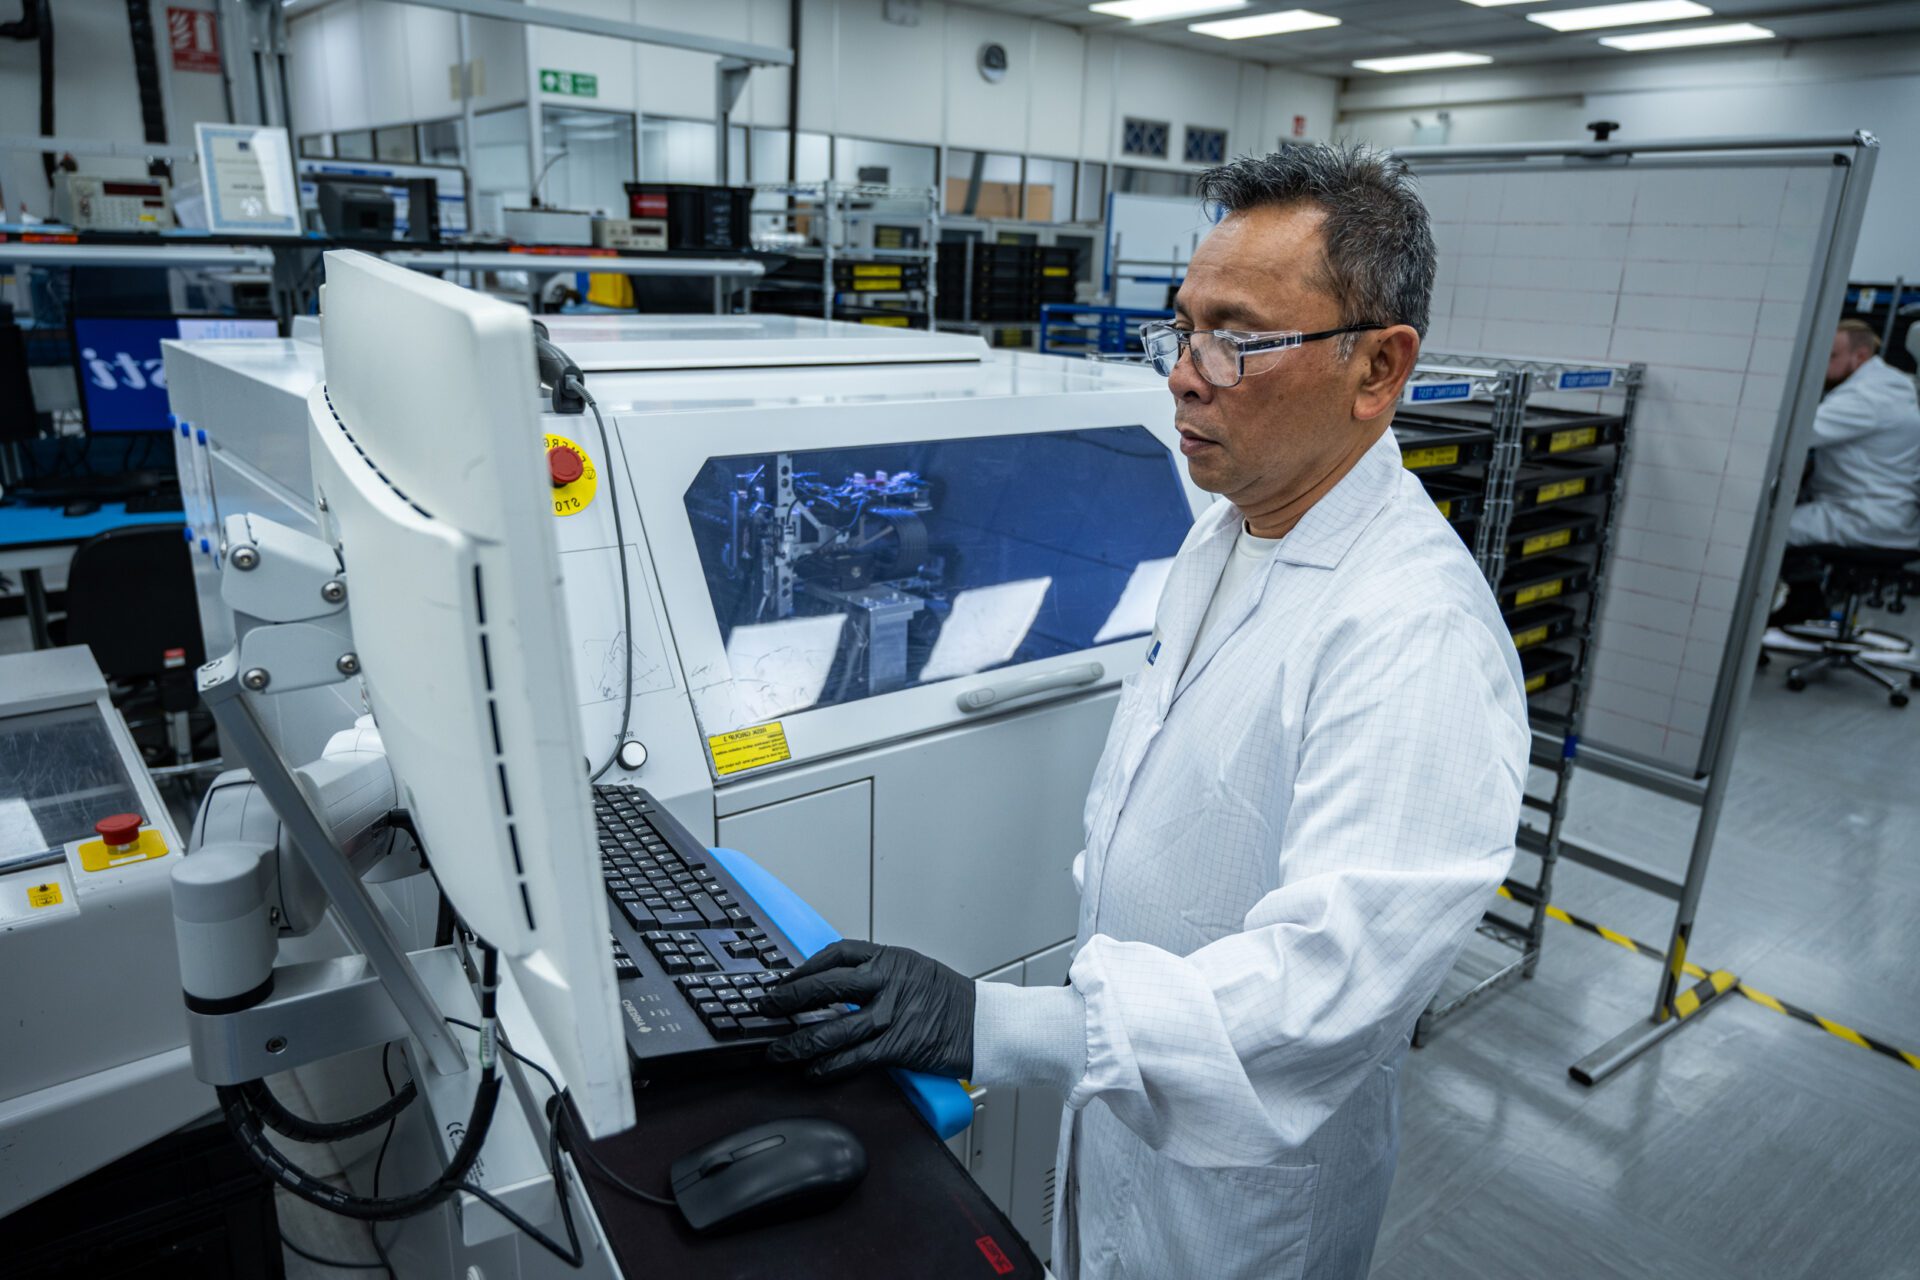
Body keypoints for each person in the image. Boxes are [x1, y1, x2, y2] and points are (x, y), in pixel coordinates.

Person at [761, 144, 1531, 1280]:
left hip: (1247, 1189)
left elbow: (1329, 984)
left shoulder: (1414, 633)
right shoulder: (1223, 528)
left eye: (1238, 336)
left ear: (1378, 368)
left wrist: (995, 1023)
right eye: (1179, 329)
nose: (1183, 372)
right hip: (1133, 1110)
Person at [1771, 319, 1920, 625]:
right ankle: (1806, 595)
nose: (1822, 365)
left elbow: (1796, 433)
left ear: (1860, 356)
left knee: (1764, 529)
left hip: (1865, 517)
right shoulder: (1885, 386)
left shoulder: (1867, 398)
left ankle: (1802, 599)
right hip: (1883, 512)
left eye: (1831, 357)